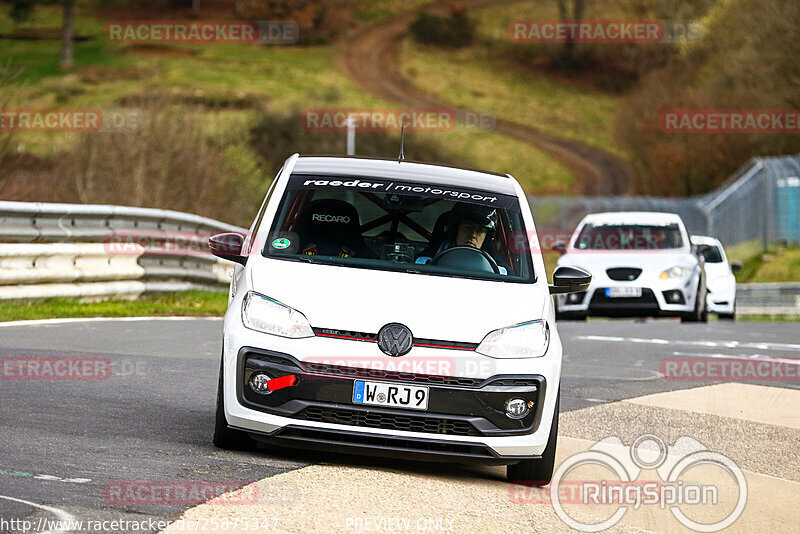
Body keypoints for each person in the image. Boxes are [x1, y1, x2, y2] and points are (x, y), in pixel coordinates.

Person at [416, 203, 507, 274]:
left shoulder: (499, 270)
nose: (473, 235)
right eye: (468, 227)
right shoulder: (423, 262)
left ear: (486, 237)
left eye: (480, 230)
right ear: (455, 229)